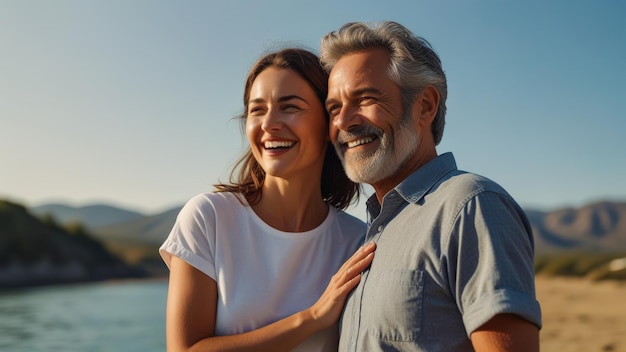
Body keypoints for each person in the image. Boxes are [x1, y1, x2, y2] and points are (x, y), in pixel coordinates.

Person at [320, 21, 542, 351]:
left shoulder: (472, 207)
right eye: (334, 107)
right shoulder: (370, 230)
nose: (343, 121)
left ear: (425, 105)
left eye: (365, 98)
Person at [159, 47, 375, 352]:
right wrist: (311, 318)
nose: (269, 124)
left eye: (290, 107)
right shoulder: (209, 218)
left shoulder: (357, 243)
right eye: (257, 109)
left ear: (329, 123)